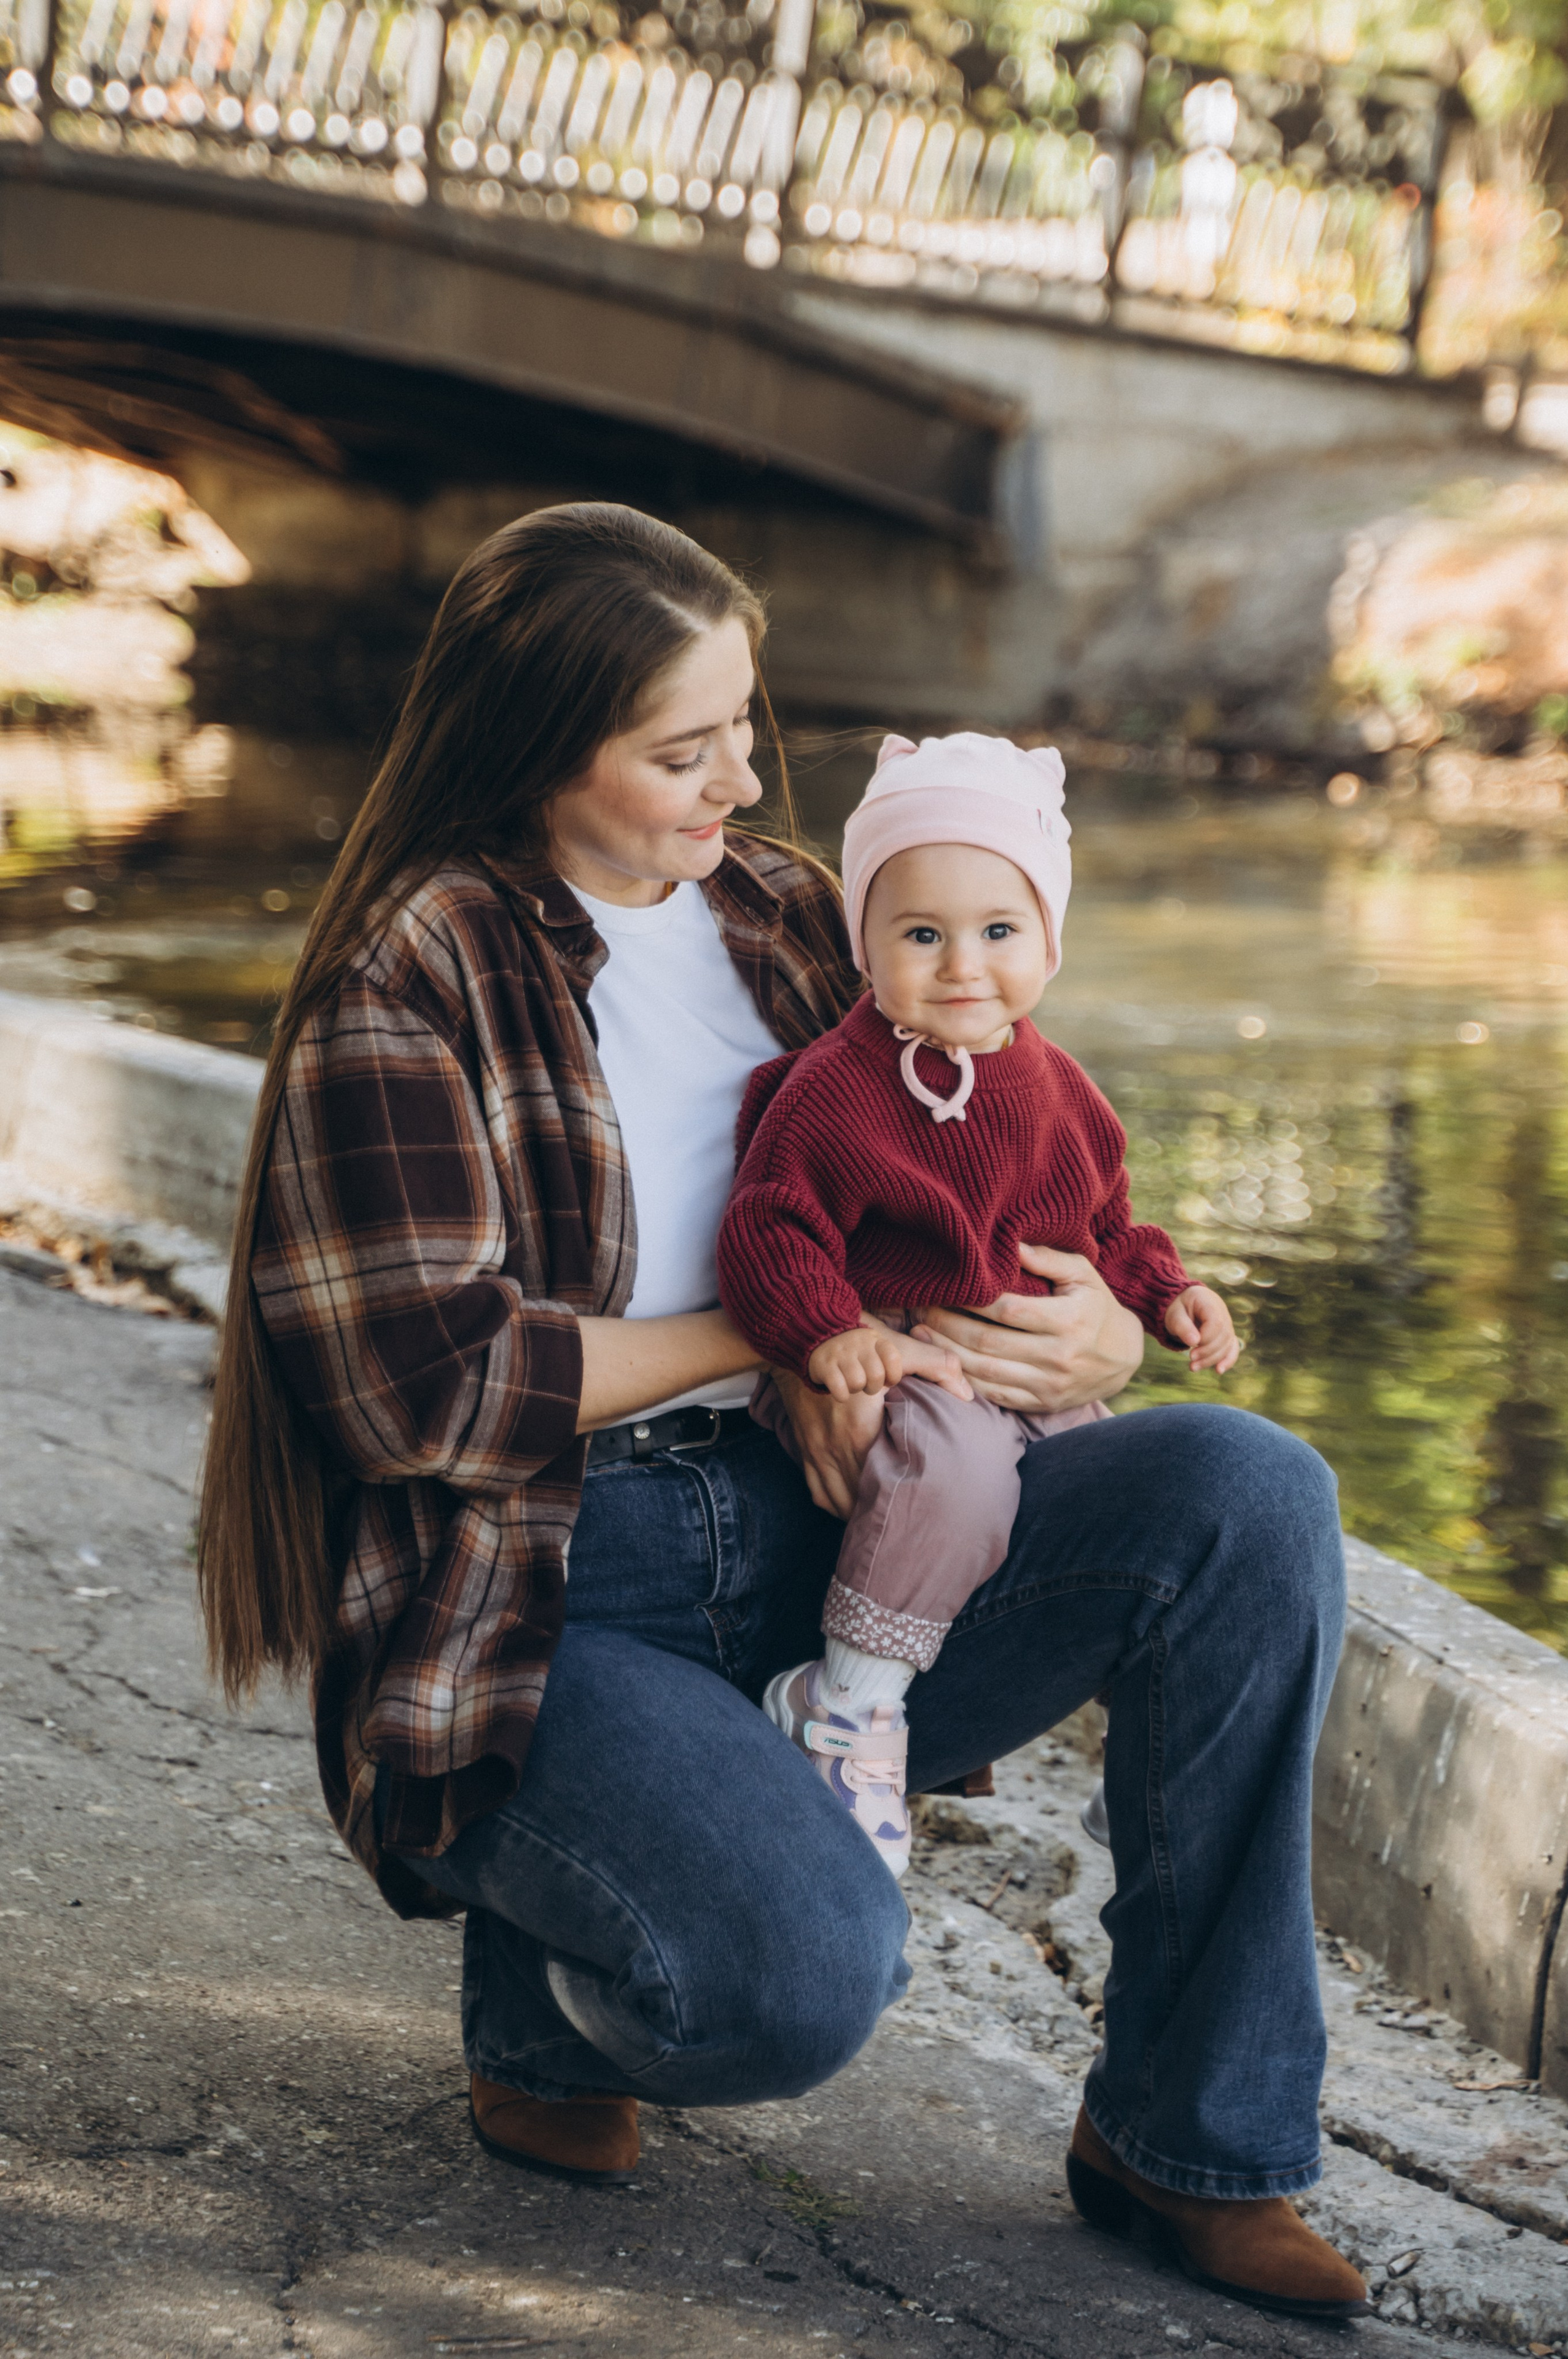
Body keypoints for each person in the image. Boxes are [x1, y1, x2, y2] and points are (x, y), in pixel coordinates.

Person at [197, 502, 1367, 2323]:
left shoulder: (790, 915)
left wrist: (1102, 1338)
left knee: (1250, 1495)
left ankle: (1188, 2137)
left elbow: (1002, 1179)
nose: (742, 780)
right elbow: (424, 1387)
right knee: (796, 1986)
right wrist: (767, 1336)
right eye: (684, 750)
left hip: (841, 1541)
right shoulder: (410, 978)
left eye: (750, 725)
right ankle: (549, 1976)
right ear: (539, 745)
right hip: (556, 1591)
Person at [717, 731, 1240, 1875]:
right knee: (951, 1479)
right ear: (865, 943)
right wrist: (827, 1335)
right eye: (921, 934)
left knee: (1132, 1506)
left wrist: (1172, 1295)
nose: (964, 965)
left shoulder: (1060, 1090)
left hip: (1023, 1370)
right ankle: (844, 1701)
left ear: (1049, 941)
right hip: (908, 1364)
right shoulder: (837, 1089)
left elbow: (1109, 1225)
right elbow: (769, 1225)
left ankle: (1151, 1751)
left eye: (1000, 932)